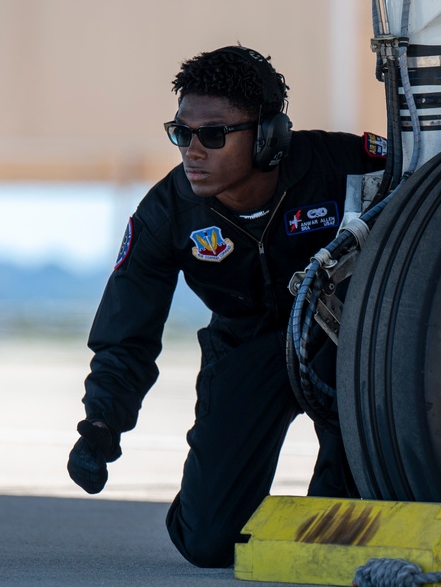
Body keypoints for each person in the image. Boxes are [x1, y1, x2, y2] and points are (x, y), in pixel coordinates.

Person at [66, 45, 385, 568]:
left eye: (212, 135)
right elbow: (128, 329)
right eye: (181, 133)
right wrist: (102, 426)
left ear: (269, 138)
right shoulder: (167, 213)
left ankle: (339, 500)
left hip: (346, 345)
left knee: (343, 527)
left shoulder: (351, 167)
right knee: (208, 542)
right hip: (243, 347)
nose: (192, 151)